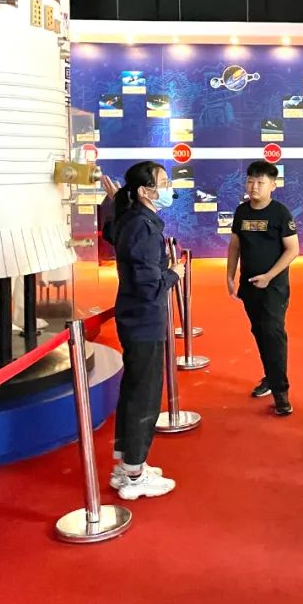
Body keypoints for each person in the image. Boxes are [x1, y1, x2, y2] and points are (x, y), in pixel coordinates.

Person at [104, 161, 183, 499]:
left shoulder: (133, 218)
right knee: (145, 395)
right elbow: (148, 285)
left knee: (136, 391)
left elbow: (112, 232)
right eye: (162, 183)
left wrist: (116, 202)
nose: (168, 188)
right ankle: (134, 474)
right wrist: (174, 272)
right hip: (144, 320)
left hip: (136, 319)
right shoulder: (142, 227)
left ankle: (127, 465)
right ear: (144, 191)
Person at [227, 160, 300, 416]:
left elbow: (293, 250)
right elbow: (235, 245)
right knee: (259, 331)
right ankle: (271, 376)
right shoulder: (241, 212)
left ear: (273, 185)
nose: (254, 186)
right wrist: (230, 275)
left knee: (273, 334)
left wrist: (269, 276)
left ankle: (281, 393)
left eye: (260, 182)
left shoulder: (280, 213)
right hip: (249, 285)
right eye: (250, 181)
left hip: (274, 287)